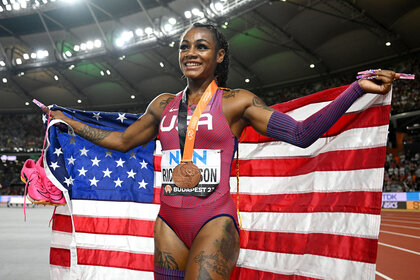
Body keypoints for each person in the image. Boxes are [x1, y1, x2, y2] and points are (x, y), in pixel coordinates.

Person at [45, 23, 399, 279]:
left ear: (220, 54)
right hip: (168, 222)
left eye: (201, 46)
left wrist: (355, 90)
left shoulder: (237, 102)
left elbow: (304, 134)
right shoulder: (162, 105)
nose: (191, 53)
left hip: (214, 221)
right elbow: (122, 141)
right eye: (184, 46)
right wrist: (66, 122)